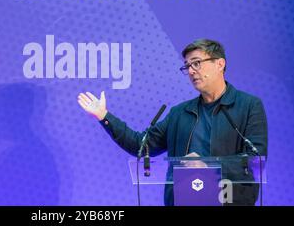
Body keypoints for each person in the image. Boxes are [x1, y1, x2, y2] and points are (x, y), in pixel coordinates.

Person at [77, 39, 267, 206]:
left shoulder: (248, 106)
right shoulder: (180, 113)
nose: (191, 71)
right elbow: (141, 146)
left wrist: (208, 165)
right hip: (183, 200)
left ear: (220, 64)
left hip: (230, 200)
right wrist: (104, 117)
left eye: (197, 63)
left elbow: (255, 160)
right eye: (187, 66)